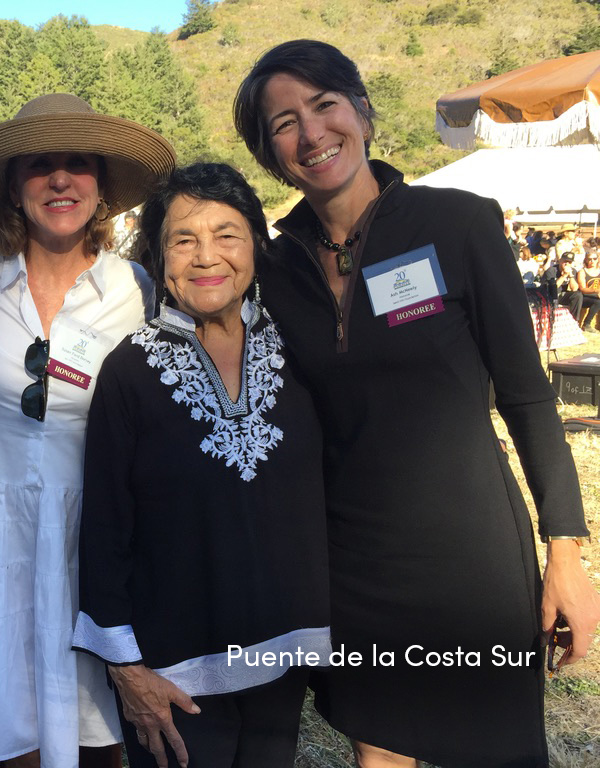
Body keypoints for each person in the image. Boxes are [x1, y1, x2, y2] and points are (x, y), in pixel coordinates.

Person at [233, 40, 600, 768]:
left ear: (362, 113)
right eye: (283, 123)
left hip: (470, 562)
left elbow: (528, 399)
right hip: (352, 566)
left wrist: (566, 555)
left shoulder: (457, 225)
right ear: (270, 154)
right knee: (383, 756)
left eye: (325, 105)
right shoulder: (269, 271)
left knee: (496, 752)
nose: (310, 133)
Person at [0, 93, 176, 768]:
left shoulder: (136, 289)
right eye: (40, 165)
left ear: (100, 187)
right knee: (3, 718)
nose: (60, 180)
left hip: (91, 535)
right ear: (13, 186)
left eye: (77, 164)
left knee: (95, 725)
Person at [72, 163, 331, 768]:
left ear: (256, 247)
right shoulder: (130, 372)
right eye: (183, 240)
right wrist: (128, 670)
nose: (206, 256)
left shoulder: (298, 348)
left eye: (227, 234)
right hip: (174, 678)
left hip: (283, 655)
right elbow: (105, 527)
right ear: (159, 260)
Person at [577, 250, 600, 331]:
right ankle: (587, 324)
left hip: (597, 295)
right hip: (585, 297)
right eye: (589, 259)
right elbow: (582, 289)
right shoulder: (582, 272)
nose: (592, 261)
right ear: (586, 260)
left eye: (594, 259)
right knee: (598, 301)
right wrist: (596, 291)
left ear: (598, 259)